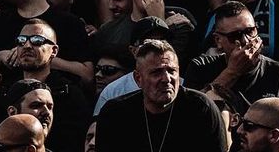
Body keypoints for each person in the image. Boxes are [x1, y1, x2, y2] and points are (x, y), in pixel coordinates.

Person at [95, 39, 228, 152]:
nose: (166, 79)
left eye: (171, 71)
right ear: (138, 78)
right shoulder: (115, 114)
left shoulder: (201, 109)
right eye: (156, 72)